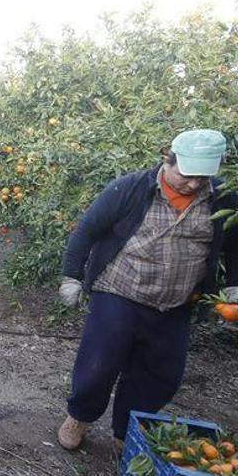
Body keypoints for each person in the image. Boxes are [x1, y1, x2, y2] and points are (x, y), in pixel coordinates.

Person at [56, 129, 238, 453]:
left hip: (176, 303)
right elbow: (86, 231)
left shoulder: (222, 198)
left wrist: (233, 288)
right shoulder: (130, 189)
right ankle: (79, 418)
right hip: (119, 290)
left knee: (159, 373)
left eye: (201, 177)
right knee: (98, 364)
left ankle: (126, 432)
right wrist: (71, 277)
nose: (193, 184)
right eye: (187, 175)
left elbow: (235, 247)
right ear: (168, 159)